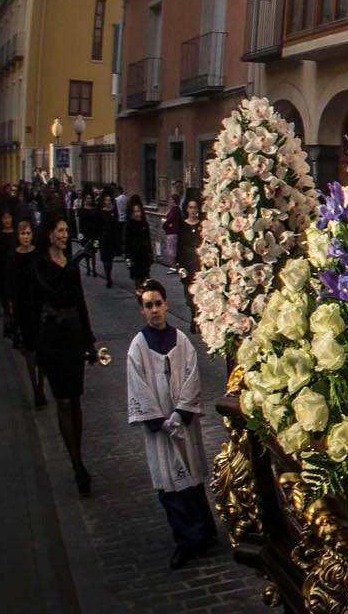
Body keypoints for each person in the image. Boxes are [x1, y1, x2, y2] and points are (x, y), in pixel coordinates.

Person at [125, 278, 217, 568]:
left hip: (183, 423)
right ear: (142, 309)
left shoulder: (181, 340)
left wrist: (181, 413)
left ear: (166, 305)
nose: (155, 310)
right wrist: (159, 419)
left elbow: (192, 375)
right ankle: (186, 539)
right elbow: (137, 385)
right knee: (170, 484)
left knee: (192, 477)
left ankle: (204, 532)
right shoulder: (138, 347)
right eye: (148, 305)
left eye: (158, 304)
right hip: (161, 429)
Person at [34, 216, 97, 494]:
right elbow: (54, 292)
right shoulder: (41, 264)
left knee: (75, 400)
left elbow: (79, 301)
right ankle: (77, 465)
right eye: (59, 230)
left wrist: (89, 340)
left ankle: (78, 451)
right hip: (52, 337)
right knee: (62, 401)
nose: (64, 234)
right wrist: (75, 262)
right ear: (49, 235)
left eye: (66, 230)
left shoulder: (70, 263)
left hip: (73, 336)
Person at [8, 217, 46, 407]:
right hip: (23, 307)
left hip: (38, 305)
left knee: (42, 349)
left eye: (28, 233)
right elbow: (13, 283)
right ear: (18, 236)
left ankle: (41, 385)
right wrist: (13, 305)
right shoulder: (14, 256)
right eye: (22, 233)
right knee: (30, 348)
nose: (25, 237)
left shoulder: (37, 255)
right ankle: (35, 388)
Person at [123, 198, 154, 285]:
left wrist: (150, 254)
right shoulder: (129, 225)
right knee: (137, 277)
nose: (137, 214)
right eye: (135, 211)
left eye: (138, 211)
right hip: (134, 255)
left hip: (144, 254)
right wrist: (127, 257)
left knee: (146, 277)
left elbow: (148, 239)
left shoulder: (144, 224)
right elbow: (126, 242)